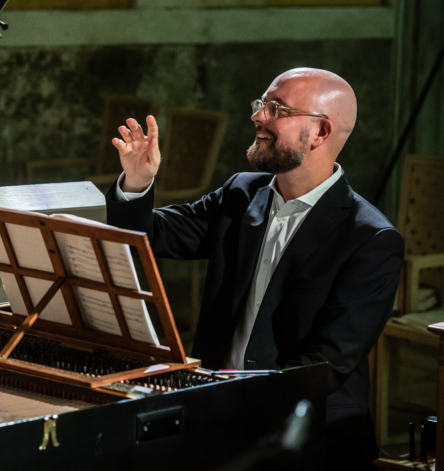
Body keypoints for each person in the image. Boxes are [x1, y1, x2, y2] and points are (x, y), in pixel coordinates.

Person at [106, 68, 403, 469]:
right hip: (217, 413)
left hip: (306, 436)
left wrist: (230, 399)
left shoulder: (370, 240)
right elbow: (152, 235)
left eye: (276, 108)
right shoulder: (241, 192)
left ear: (320, 132)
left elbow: (324, 365)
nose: (258, 117)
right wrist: (137, 183)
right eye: (261, 104)